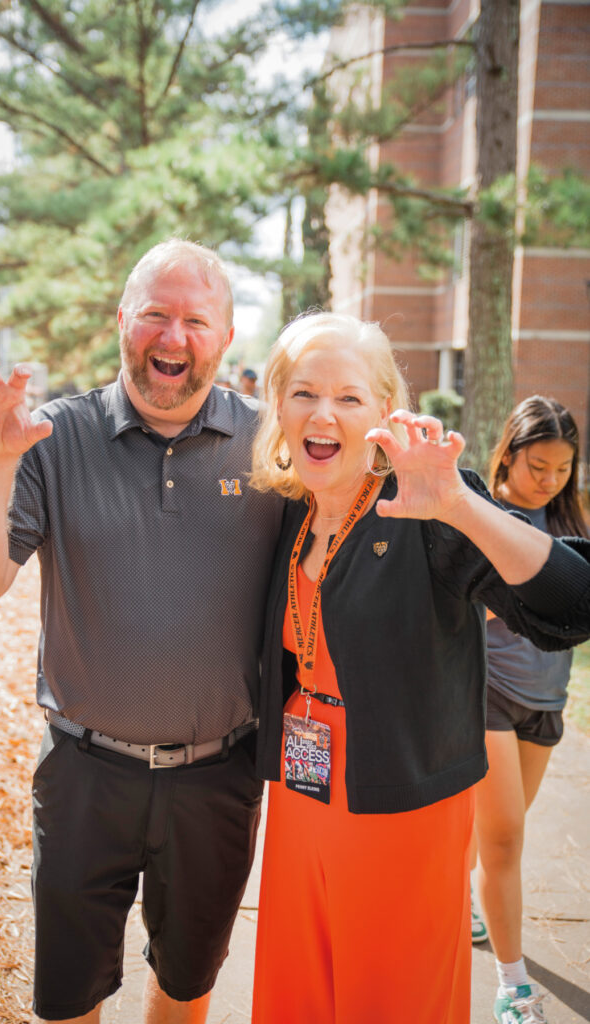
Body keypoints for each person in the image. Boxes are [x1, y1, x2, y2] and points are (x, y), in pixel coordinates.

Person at [0, 239, 284, 1024]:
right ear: (121, 321)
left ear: (226, 338)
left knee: (186, 987)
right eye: (155, 314)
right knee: (68, 1000)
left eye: (195, 320)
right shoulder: (52, 438)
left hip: (216, 779)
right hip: (83, 774)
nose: (173, 337)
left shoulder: (272, 448)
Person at [248, 313, 590, 1024]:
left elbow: (570, 606)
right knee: (301, 990)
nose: (323, 413)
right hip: (303, 795)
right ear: (278, 406)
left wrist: (462, 505)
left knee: (390, 998)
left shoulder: (426, 505)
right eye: (304, 392)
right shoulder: (289, 510)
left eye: (348, 397)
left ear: (382, 410)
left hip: (401, 805)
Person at [473, 397, 589, 1024]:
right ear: (510, 453)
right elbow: (464, 613)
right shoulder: (484, 513)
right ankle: (512, 986)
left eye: (562, 470)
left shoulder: (572, 521)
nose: (549, 481)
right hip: (486, 693)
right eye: (538, 466)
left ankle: (457, 899)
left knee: (493, 837)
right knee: (505, 839)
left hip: (546, 702)